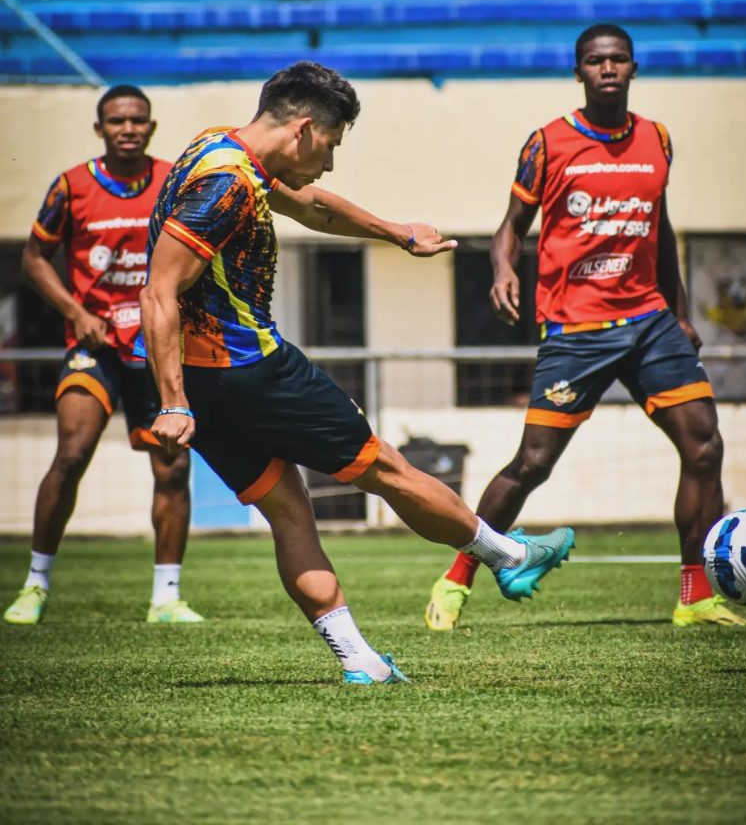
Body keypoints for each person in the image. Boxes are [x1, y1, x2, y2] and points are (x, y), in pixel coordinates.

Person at [137, 60, 574, 684]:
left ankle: (360, 662)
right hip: (252, 371)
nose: (331, 163)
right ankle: (506, 554)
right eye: (333, 145)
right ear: (306, 130)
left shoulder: (219, 151)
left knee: (289, 512)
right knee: (387, 470)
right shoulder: (226, 185)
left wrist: (397, 233)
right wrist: (172, 402)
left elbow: (314, 207)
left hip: (209, 385)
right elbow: (158, 291)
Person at [424, 24, 746, 631]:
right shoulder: (548, 143)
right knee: (532, 463)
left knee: (704, 444)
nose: (607, 69)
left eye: (618, 59)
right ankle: (455, 582)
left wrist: (679, 311)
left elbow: (661, 230)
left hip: (650, 322)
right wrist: (502, 270)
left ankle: (696, 596)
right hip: (576, 330)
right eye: (595, 61)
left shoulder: (658, 139)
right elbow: (510, 225)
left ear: (633, 68)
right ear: (579, 72)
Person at [3, 85, 204, 627]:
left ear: (151, 127)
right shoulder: (72, 186)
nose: (128, 129)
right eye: (117, 121)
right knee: (71, 454)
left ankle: (167, 597)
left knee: (172, 466)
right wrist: (75, 312)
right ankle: (35, 585)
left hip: (154, 347)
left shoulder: (174, 181)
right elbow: (34, 258)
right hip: (93, 347)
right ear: (100, 129)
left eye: (138, 120)